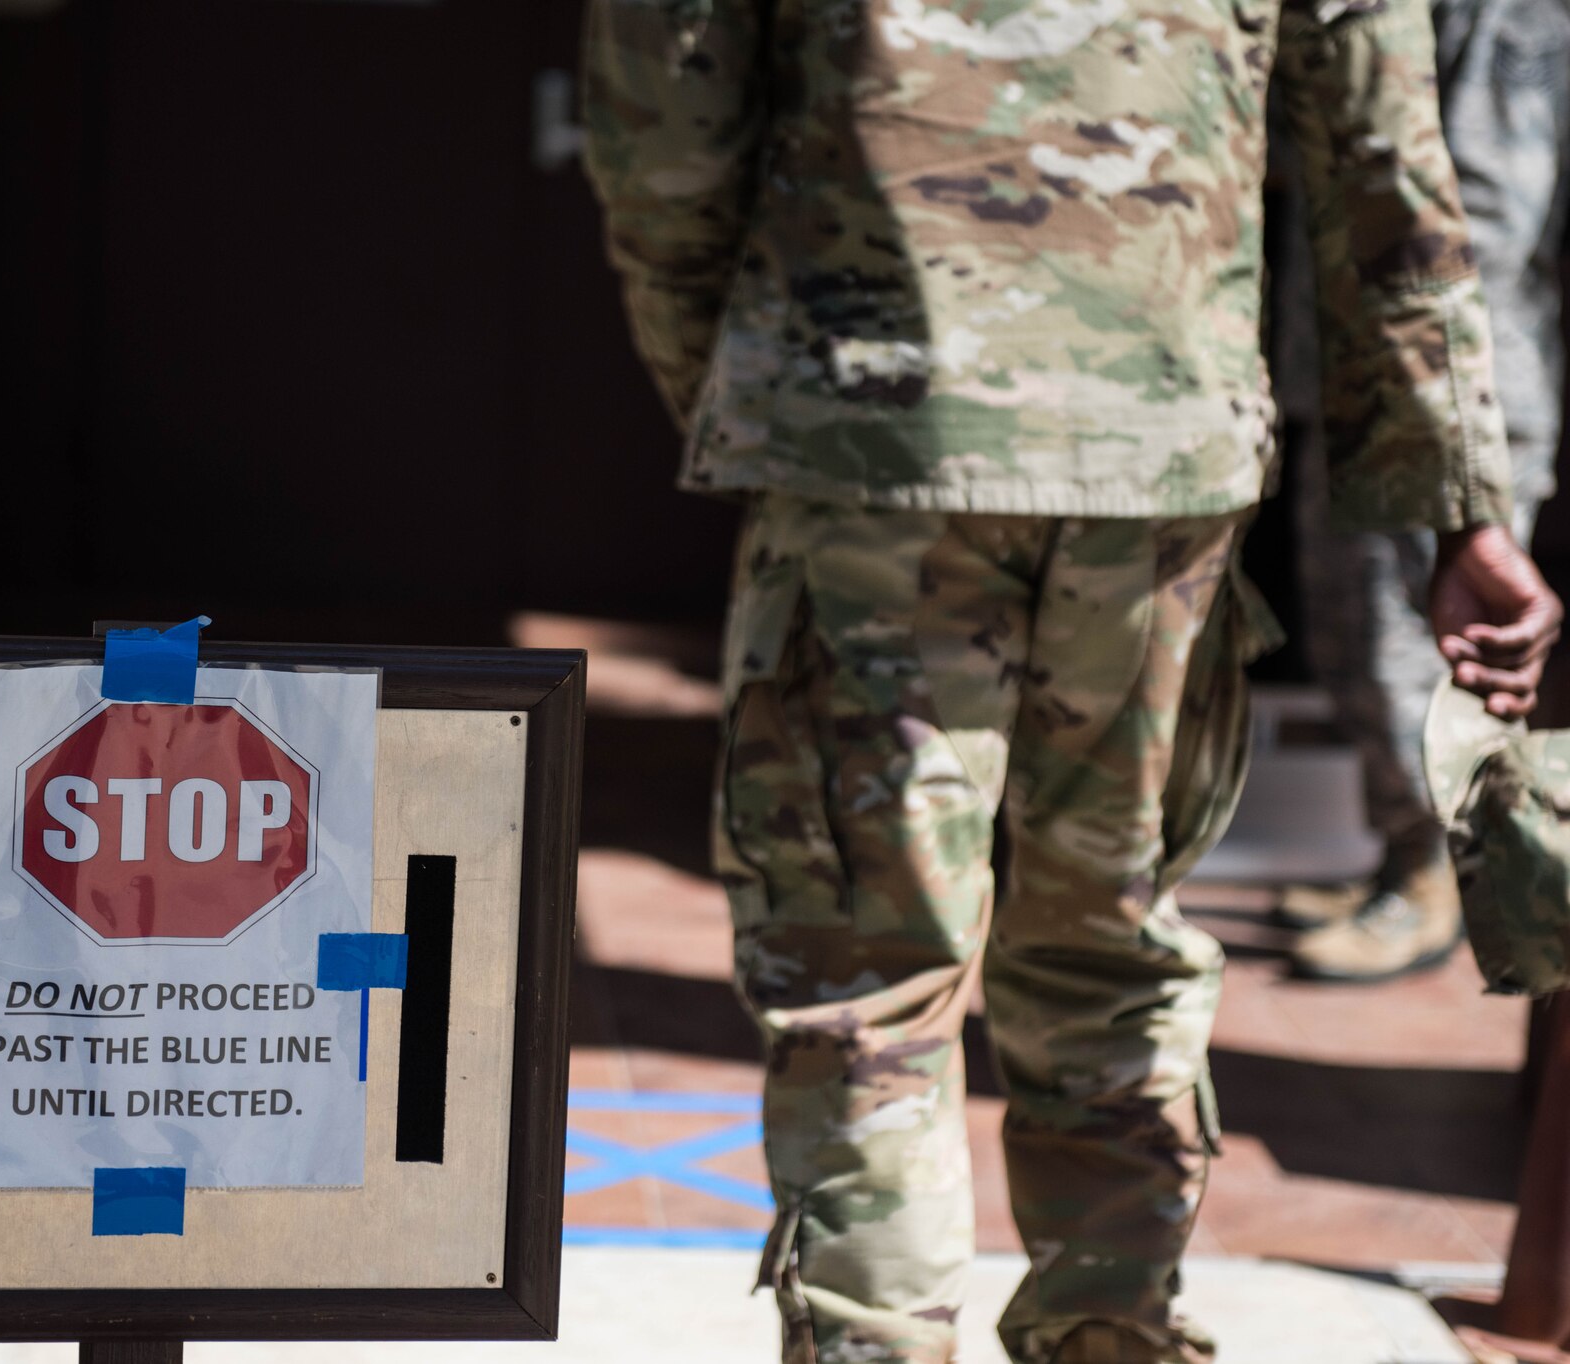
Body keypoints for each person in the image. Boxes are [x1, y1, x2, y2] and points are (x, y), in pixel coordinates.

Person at [581, 3, 1563, 1363]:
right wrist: (1460, 510)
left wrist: (743, 378)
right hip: (1159, 446)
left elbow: (666, 91)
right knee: (1110, 942)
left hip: (877, 428)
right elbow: (1381, 145)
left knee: (869, 973)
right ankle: (1112, 1336)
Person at [1280, 0, 1570, 983]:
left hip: (1448, 391)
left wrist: (1420, 376)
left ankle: (1447, 881)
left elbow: (1486, 202)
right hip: (1353, 376)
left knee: (1421, 655)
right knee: (1353, 640)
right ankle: (1402, 854)